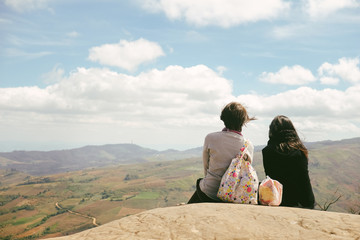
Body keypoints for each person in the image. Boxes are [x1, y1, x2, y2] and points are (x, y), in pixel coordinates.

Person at [188, 102, 256, 203]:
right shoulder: (248, 145)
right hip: (233, 195)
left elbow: (206, 167)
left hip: (209, 192)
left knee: (200, 185)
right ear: (243, 121)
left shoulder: (211, 138)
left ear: (223, 118)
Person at [262, 115, 315, 209]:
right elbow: (304, 181)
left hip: (276, 200)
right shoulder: (299, 152)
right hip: (297, 202)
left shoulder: (267, 152)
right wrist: (310, 204)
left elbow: (270, 179)